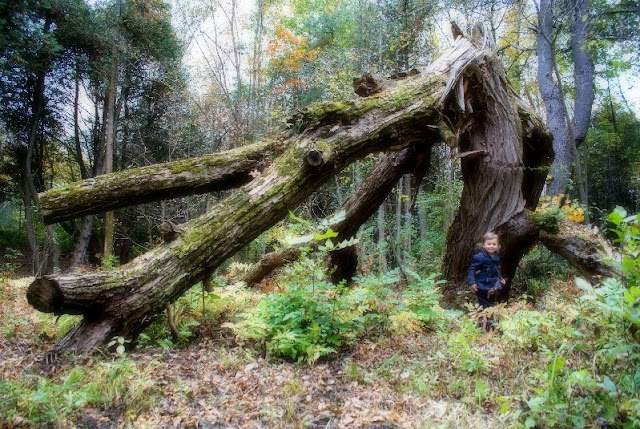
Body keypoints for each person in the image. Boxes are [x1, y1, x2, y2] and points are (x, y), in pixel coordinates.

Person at [467, 232, 507, 310]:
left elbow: (496, 269)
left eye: (494, 244)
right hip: (482, 284)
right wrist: (472, 282)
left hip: (493, 284)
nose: (491, 246)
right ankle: (482, 316)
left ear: (498, 246)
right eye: (489, 244)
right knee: (483, 304)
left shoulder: (496, 256)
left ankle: (491, 316)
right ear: (484, 245)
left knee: (492, 303)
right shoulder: (479, 257)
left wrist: (500, 278)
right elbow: (472, 270)